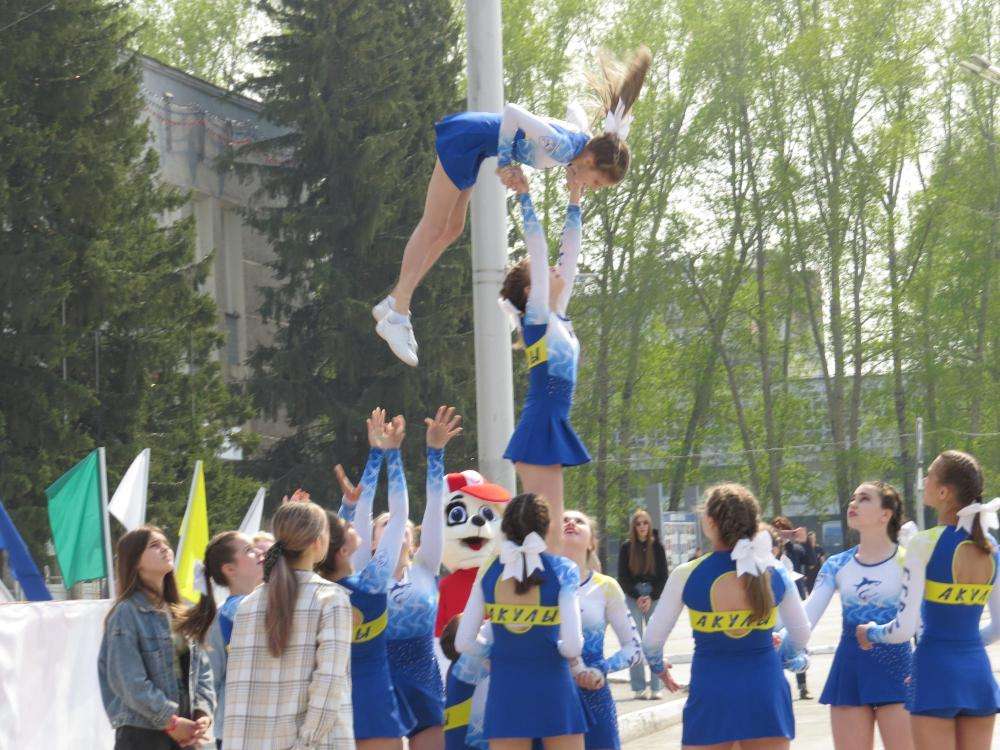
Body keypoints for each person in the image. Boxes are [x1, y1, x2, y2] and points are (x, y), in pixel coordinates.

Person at [373, 48, 651, 367]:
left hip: (477, 146)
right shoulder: (562, 146)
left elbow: (574, 111)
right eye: (596, 182)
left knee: (452, 229)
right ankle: (398, 312)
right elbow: (513, 112)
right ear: (590, 160)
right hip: (467, 140)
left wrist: (573, 173)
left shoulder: (577, 144)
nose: (590, 188)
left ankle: (394, 301)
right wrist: (506, 162)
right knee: (434, 225)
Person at [642, 483, 811, 749]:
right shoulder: (774, 570)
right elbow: (802, 633)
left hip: (712, 690)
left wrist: (658, 666)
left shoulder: (687, 573)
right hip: (765, 687)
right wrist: (784, 655)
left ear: (709, 522)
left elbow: (652, 640)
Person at [858, 450, 1000, 750]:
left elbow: (905, 629)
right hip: (977, 674)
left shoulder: (924, 542)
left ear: (944, 491)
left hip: (934, 671)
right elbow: (998, 627)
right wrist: (963, 645)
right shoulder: (991, 547)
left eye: (930, 475)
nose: (924, 480)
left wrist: (871, 632)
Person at [456, 492, 588, 750]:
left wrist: (494, 653)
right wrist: (556, 648)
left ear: (505, 527)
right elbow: (573, 647)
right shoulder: (564, 569)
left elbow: (463, 642)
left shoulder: (488, 569)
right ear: (547, 527)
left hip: (506, 687)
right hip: (554, 685)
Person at [499, 178, 589, 553]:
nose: (554, 269)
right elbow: (538, 250)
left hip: (551, 421)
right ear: (528, 292)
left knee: (550, 531)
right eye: (544, 270)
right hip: (540, 425)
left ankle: (545, 599)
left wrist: (574, 200)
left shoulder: (558, 316)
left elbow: (570, 253)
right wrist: (523, 196)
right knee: (545, 533)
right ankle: (534, 597)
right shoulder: (536, 318)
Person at [223, 501, 353, 749]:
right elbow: (328, 684)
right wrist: (307, 744)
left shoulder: (248, 605)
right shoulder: (331, 599)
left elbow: (238, 693)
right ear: (318, 542)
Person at [795, 482, 913, 750]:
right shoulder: (836, 564)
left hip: (900, 668)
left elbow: (922, 623)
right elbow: (806, 617)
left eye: (864, 499)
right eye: (852, 498)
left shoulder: (910, 561)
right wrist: (778, 634)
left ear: (886, 514)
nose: (853, 504)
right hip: (850, 670)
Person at [322, 409, 413, 750]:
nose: (354, 525)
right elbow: (398, 514)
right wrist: (389, 454)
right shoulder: (373, 582)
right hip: (373, 694)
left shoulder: (318, 584)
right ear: (342, 547)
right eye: (347, 527)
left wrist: (377, 454)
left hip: (331, 696)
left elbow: (361, 508)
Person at [378, 406, 463, 750]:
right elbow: (397, 507)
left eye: (401, 529)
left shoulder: (427, 566)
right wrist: (389, 456)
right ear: (372, 541)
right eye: (383, 527)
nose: (394, 530)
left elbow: (432, 505)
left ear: (413, 540)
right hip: (377, 675)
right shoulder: (367, 577)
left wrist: (435, 453)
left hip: (423, 675)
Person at [98, 526, 215, 750]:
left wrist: (203, 713)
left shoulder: (179, 612)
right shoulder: (126, 612)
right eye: (154, 545)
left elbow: (202, 670)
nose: (165, 548)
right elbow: (128, 680)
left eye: (165, 543)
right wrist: (170, 721)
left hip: (185, 734)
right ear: (135, 562)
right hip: (143, 736)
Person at [563, 510, 641, 749]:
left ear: (592, 542)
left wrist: (600, 670)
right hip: (549, 692)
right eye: (564, 519)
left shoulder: (606, 586)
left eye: (579, 521)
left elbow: (635, 648)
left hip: (594, 695)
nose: (571, 523)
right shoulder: (537, 584)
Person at [198, 532, 263, 748]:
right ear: (230, 569)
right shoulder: (222, 619)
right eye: (248, 550)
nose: (259, 553)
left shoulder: (273, 604)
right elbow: (210, 681)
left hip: (275, 726)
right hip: (238, 732)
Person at [616, 509, 668, 700]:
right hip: (633, 595)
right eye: (638, 524)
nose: (642, 527)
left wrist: (650, 596)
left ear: (649, 524)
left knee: (654, 640)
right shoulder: (626, 547)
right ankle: (638, 687)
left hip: (654, 594)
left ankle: (656, 686)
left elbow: (664, 577)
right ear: (634, 527)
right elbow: (622, 577)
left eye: (645, 523)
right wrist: (638, 596)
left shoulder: (658, 547)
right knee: (634, 641)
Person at [772, 516, 811, 700]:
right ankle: (776, 681)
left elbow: (811, 561)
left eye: (785, 531)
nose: (781, 535)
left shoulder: (794, 549)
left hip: (793, 601)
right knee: (775, 644)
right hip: (773, 605)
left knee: (798, 642)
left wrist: (805, 542)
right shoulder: (764, 553)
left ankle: (802, 685)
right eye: (777, 531)